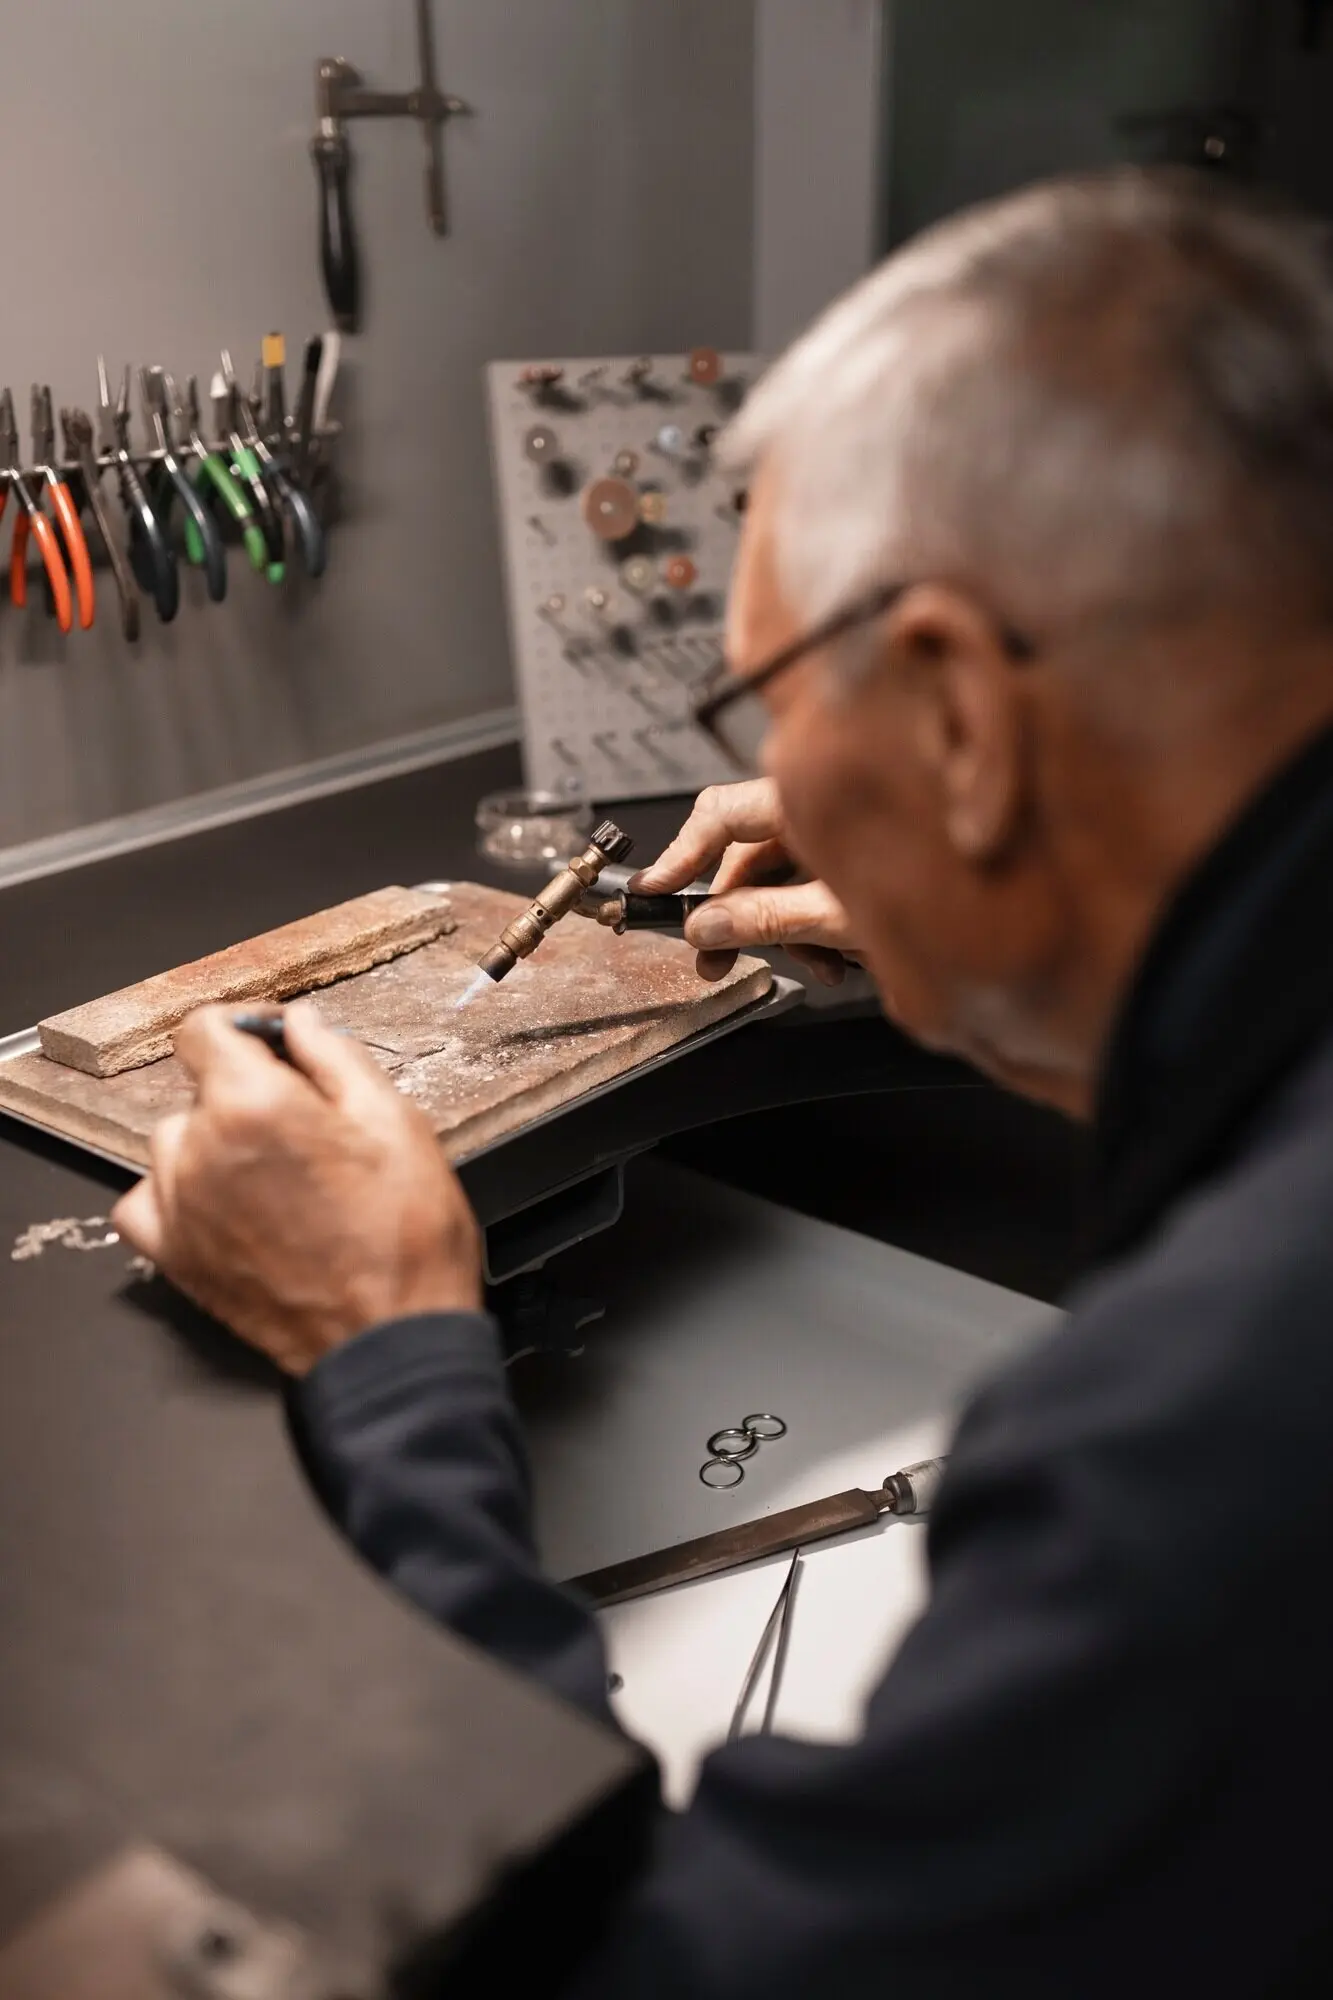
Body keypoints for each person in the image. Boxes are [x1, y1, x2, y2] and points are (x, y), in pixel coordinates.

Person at [114, 168, 1333, 1994]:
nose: (767, 772)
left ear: (960, 721)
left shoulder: (1210, 1434)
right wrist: (1009, 937)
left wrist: (391, 1355)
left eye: (772, 706)